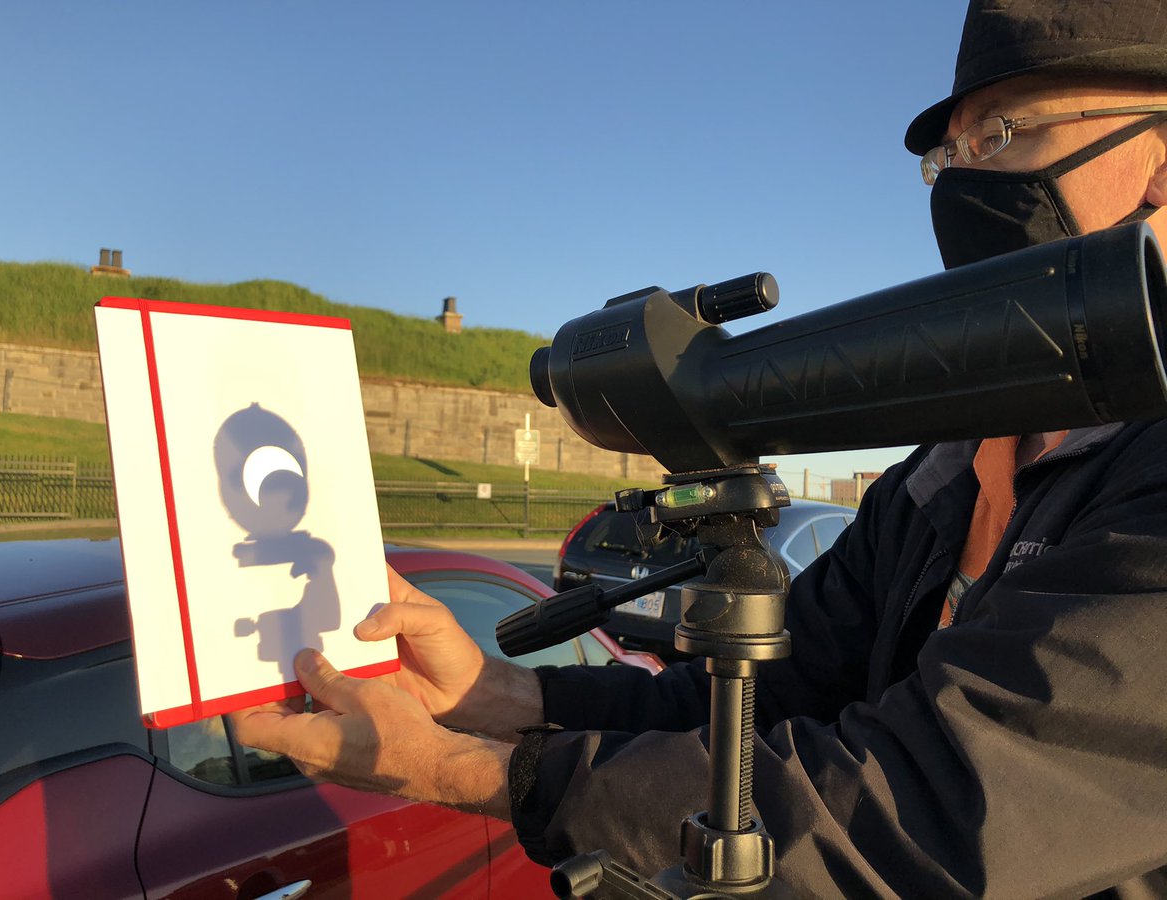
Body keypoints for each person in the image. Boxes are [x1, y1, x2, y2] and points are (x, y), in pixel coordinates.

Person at [231, 2, 1167, 896]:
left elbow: (930, 807)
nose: (967, 178)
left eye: (1003, 136)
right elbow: (772, 692)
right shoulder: (950, 468)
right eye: (951, 154)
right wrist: (501, 694)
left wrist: (463, 769)